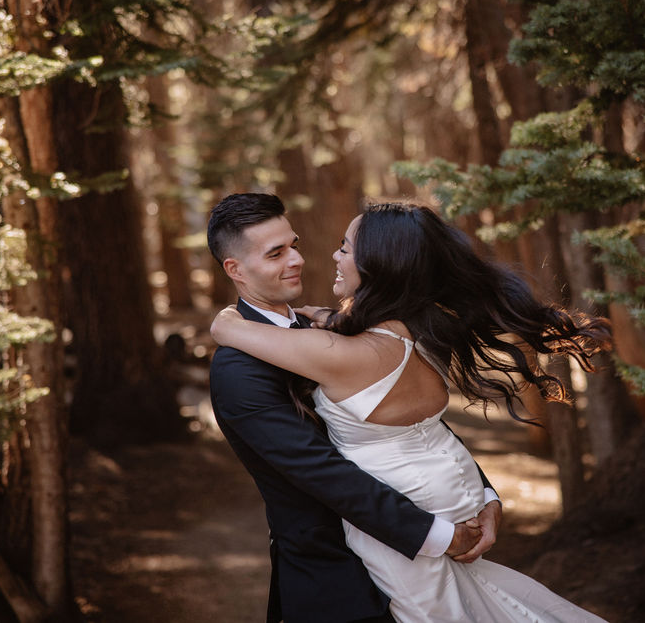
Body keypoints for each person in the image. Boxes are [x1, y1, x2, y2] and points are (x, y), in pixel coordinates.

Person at [210, 200, 611, 623]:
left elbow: (416, 425)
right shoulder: (239, 369)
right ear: (235, 269)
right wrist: (437, 534)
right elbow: (319, 471)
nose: (298, 259)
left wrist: (482, 492)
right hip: (336, 581)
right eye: (276, 254)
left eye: (294, 245)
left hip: (415, 553)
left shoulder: (330, 334)